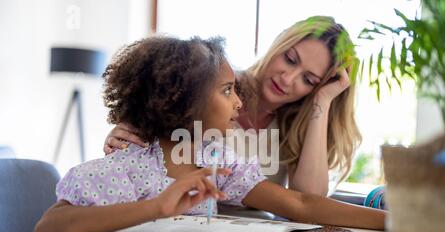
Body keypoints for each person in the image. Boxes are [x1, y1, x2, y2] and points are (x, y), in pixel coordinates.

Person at [34, 35, 385, 232]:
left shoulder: (216, 160)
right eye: (228, 91)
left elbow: (302, 204)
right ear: (182, 100)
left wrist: (394, 222)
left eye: (309, 78)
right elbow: (48, 227)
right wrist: (156, 208)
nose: (238, 101)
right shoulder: (129, 164)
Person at [103, 16, 361, 196]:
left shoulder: (295, 126)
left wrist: (322, 101)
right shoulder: (213, 86)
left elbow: (309, 198)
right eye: (290, 59)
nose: (288, 79)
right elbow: (154, 122)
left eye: (308, 80)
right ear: (279, 44)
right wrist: (129, 131)